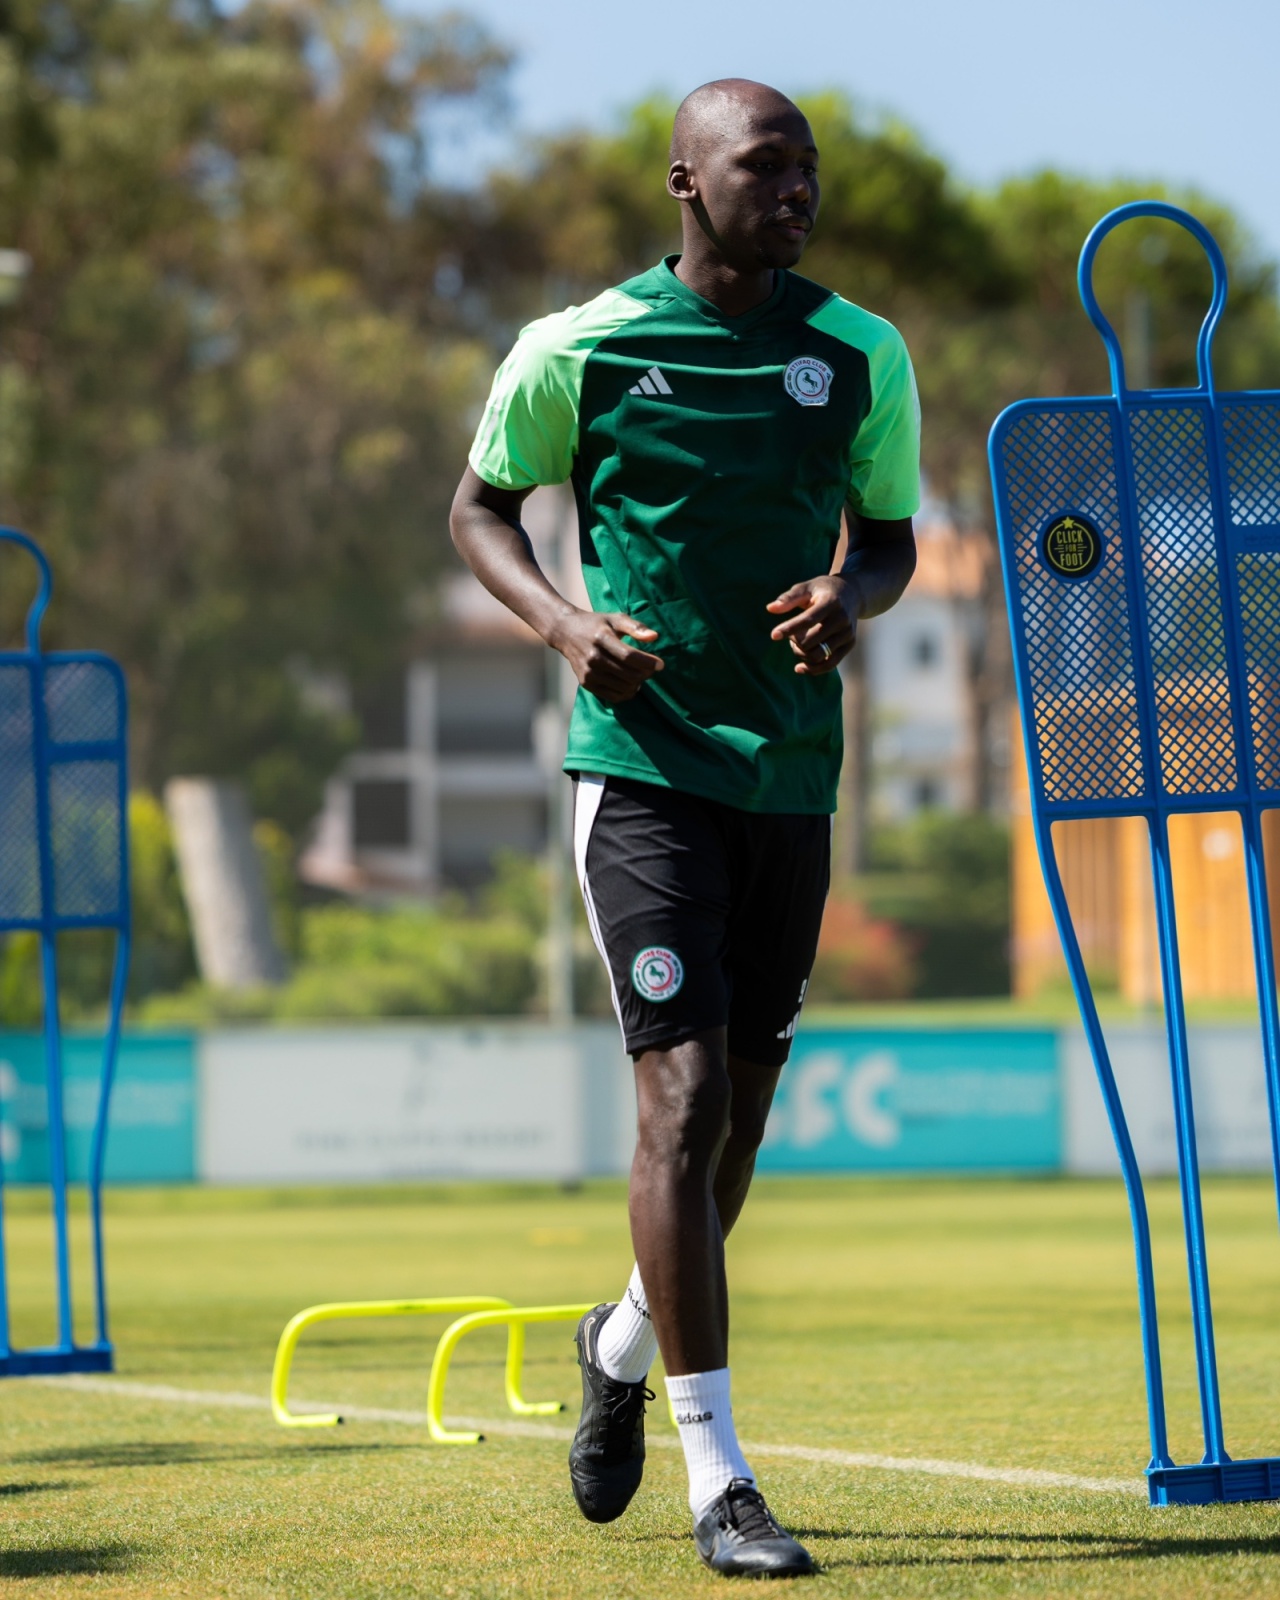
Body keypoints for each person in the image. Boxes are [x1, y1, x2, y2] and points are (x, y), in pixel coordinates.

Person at [450, 77, 919, 1579]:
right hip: (640, 771)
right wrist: (565, 625)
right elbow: (476, 508)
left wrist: (850, 596)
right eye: (763, 165)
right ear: (685, 182)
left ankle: (622, 1339)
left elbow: (892, 536)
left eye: (809, 169)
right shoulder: (576, 348)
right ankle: (722, 1482)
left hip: (790, 775)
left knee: (741, 1129)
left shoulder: (859, 355)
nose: (797, 190)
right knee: (685, 1098)